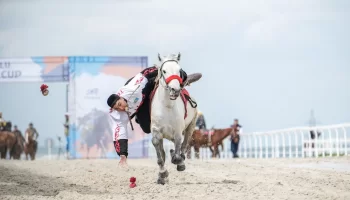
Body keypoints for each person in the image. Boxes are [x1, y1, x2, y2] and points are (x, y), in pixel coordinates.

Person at [107, 65, 202, 166]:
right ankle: (139, 117)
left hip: (146, 86)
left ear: (120, 98)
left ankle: (182, 81)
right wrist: (122, 154)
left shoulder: (133, 87)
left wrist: (160, 69)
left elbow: (145, 73)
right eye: (117, 108)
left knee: (160, 83)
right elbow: (119, 133)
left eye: (120, 105)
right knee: (147, 129)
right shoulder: (117, 115)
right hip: (140, 105)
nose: (120, 109)